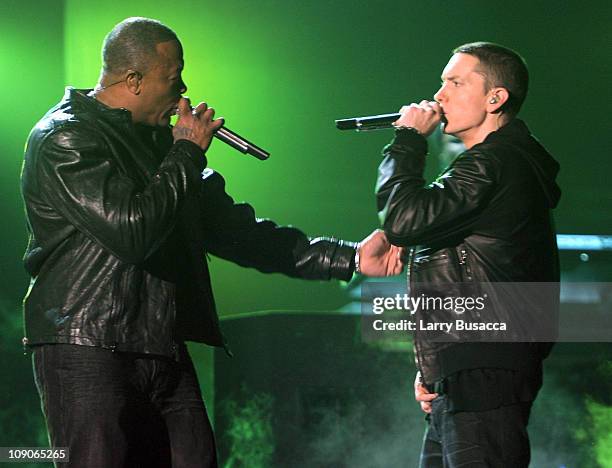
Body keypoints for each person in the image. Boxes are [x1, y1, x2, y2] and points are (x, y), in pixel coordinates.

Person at [21, 17, 403, 468]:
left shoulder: (162, 144)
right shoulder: (65, 137)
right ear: (134, 80)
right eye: (173, 77)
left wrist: (350, 256)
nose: (183, 92)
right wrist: (186, 151)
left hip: (160, 345)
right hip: (87, 345)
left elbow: (240, 233)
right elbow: (131, 231)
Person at [375, 42, 560, 467]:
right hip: (466, 372)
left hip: (483, 372)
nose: (439, 95)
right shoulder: (495, 165)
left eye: (455, 83)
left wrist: (405, 140)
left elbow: (401, 218)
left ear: (496, 99)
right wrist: (434, 367)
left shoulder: (494, 163)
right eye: (441, 82)